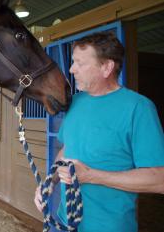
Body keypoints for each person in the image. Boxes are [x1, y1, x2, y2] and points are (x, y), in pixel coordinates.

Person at [34, 32, 164, 232]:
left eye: (80, 63)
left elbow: (158, 180)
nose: (71, 69)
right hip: (63, 223)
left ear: (106, 67)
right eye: (72, 62)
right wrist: (49, 182)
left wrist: (91, 176)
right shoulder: (75, 103)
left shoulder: (139, 108)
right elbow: (67, 150)